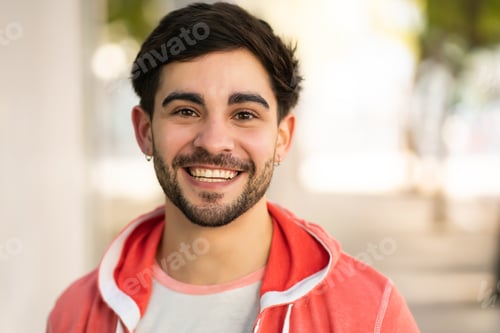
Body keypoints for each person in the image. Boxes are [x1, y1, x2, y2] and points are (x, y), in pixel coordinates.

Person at [47, 2, 420, 332]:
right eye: (186, 112)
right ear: (145, 132)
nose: (213, 141)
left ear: (282, 138)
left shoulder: (370, 312)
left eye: (244, 114)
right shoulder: (76, 314)